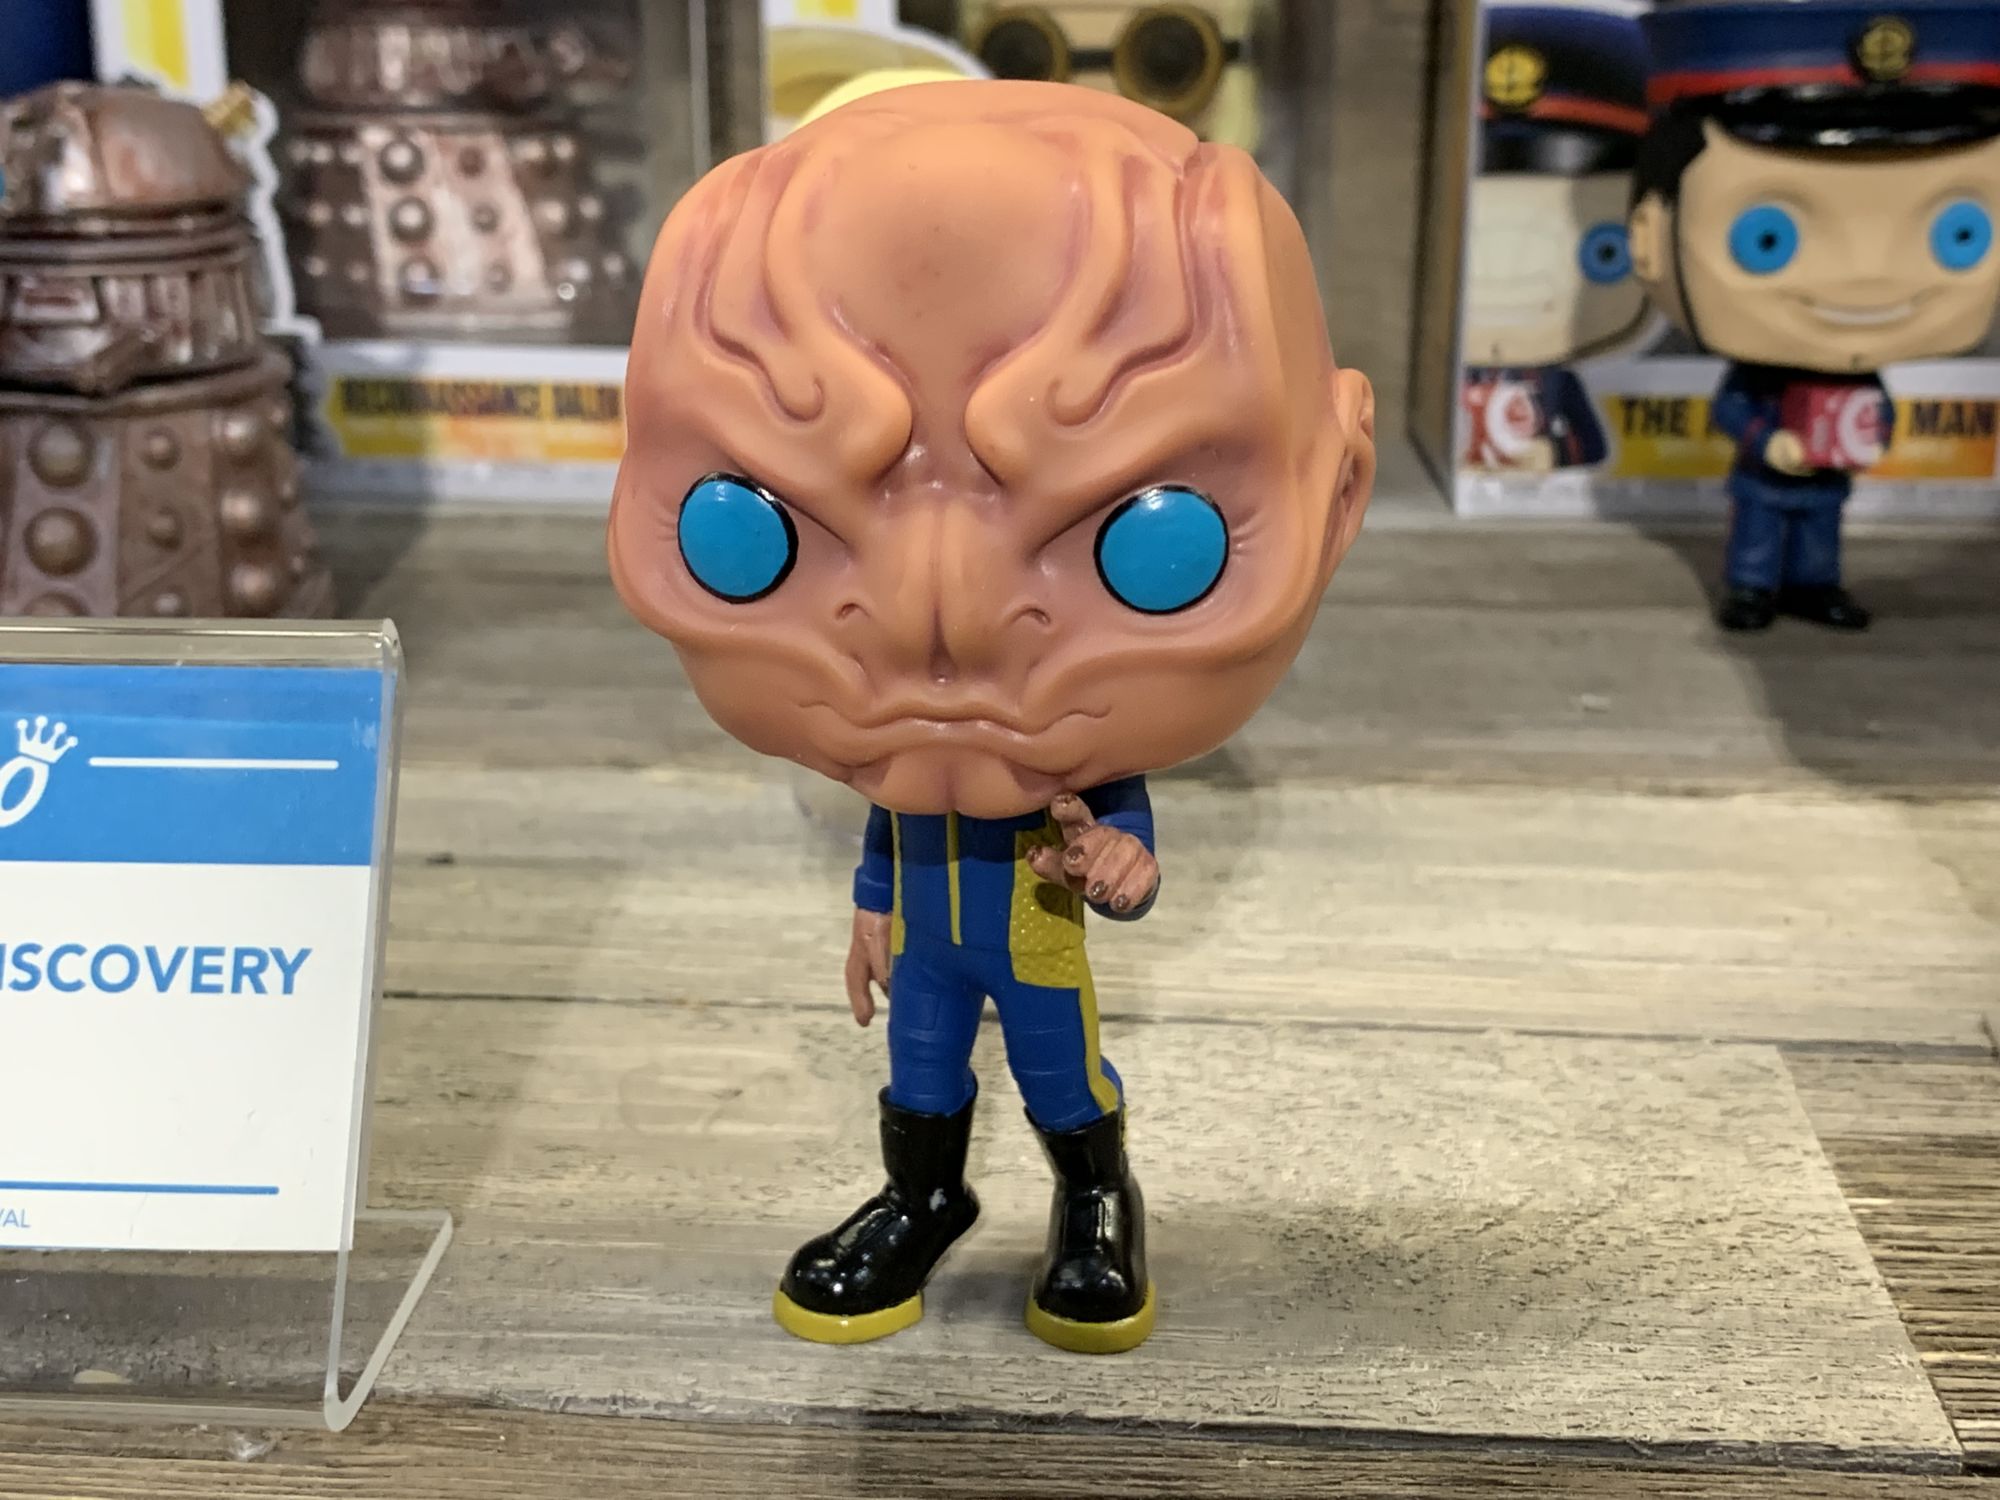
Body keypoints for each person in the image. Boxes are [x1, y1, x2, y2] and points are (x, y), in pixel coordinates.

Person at [609, 79, 1374, 1353]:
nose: (944, 622)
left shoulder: (1076, 770)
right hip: (926, 937)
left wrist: (1119, 866)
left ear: (1338, 496)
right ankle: (924, 1198)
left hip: (1034, 934)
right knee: (919, 1072)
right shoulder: (903, 768)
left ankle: (1095, 1205)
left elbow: (1121, 853)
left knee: (1061, 1073)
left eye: (1156, 547)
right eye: (745, 532)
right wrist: (870, 911)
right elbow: (887, 823)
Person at [1628, 0, 2000, 631]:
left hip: (1826, 480)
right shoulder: (1762, 375)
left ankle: (1814, 585)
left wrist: (1870, 435)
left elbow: (1877, 411)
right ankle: (1751, 587)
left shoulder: (1855, 374)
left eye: (1958, 234)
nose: (1867, 276)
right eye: (1768, 239)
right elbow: (1732, 408)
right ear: (1650, 239)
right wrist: (1766, 440)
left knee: (1820, 531)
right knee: (1759, 528)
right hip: (1765, 478)